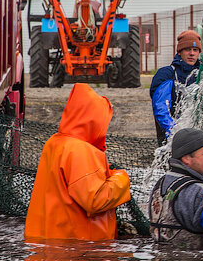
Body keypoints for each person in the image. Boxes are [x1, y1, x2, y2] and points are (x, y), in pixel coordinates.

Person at [25, 83, 132, 241]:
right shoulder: (80, 151)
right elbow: (95, 200)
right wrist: (121, 179)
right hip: (78, 245)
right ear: (93, 121)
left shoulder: (55, 142)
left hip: (49, 239)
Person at [150, 30, 203, 145]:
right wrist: (175, 132)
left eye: (195, 50)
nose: (192, 53)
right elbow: (161, 108)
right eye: (187, 49)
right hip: (172, 138)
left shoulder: (202, 74)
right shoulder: (167, 74)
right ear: (179, 52)